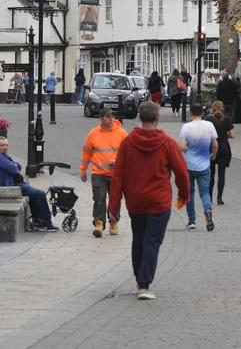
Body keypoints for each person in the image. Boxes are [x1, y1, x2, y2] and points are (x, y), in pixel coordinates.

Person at [108, 102, 189, 300]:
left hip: (135, 201)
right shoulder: (167, 143)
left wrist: (114, 206)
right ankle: (144, 284)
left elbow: (117, 176)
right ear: (157, 118)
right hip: (159, 201)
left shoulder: (127, 143)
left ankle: (139, 278)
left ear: (140, 117)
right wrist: (183, 196)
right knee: (152, 241)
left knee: (139, 240)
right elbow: (181, 173)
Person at [0, 136, 59, 232]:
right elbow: (15, 169)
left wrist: (14, 166)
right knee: (40, 194)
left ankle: (39, 222)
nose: (5, 147)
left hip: (11, 184)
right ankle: (46, 224)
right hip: (7, 188)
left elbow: (18, 166)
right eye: (1, 145)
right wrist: (14, 166)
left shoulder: (2, 156)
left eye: (6, 145)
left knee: (35, 195)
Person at [81, 108, 128, 238]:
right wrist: (83, 169)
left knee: (115, 199)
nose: (111, 118)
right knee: (99, 198)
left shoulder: (122, 133)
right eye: (108, 116)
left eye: (112, 116)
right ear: (101, 119)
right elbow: (86, 152)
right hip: (98, 173)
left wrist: (119, 163)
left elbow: (129, 154)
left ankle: (113, 222)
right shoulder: (93, 134)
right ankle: (99, 223)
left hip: (116, 174)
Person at [180, 103, 218, 231]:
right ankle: (207, 210)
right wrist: (213, 155)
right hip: (204, 164)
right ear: (202, 113)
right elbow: (215, 145)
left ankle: (192, 221)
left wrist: (185, 148)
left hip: (189, 166)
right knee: (204, 192)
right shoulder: (209, 125)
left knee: (189, 193)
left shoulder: (186, 127)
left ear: (190, 113)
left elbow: (182, 146)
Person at [205, 101, 234, 205]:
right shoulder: (226, 119)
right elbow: (232, 135)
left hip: (210, 148)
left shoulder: (208, 119)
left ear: (212, 108)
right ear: (222, 108)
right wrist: (225, 134)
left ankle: (209, 197)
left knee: (211, 174)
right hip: (224, 149)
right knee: (221, 174)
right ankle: (219, 198)